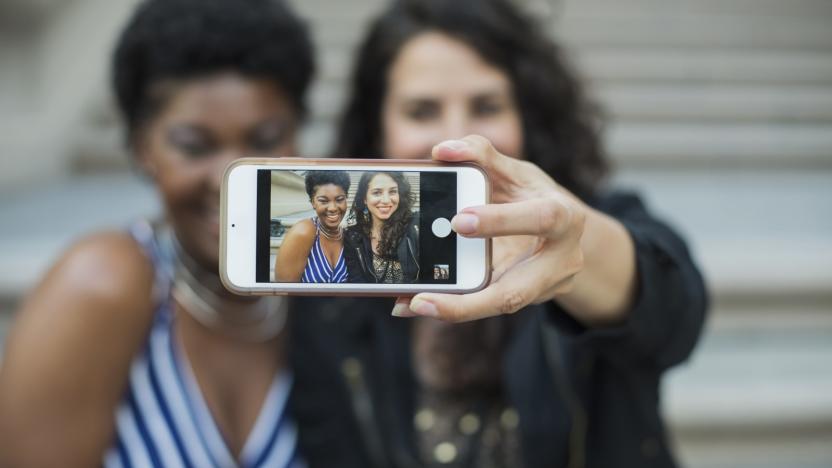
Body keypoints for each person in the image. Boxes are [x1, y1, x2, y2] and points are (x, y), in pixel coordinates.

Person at [288, 1, 706, 467]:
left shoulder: (602, 214)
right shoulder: (335, 289)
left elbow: (676, 309)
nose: (459, 138)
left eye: (487, 106)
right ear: (378, 128)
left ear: (527, 114)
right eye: (421, 111)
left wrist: (575, 243)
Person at [0, 0, 314, 466]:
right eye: (194, 146)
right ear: (141, 148)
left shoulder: (321, 284)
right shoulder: (103, 283)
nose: (229, 177)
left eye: (265, 140)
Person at [343, 171, 420, 283]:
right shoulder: (353, 236)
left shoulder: (416, 226)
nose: (386, 200)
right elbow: (356, 281)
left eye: (393, 192)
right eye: (377, 193)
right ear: (365, 198)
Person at [275, 171, 350, 283]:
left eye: (339, 199)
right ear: (313, 203)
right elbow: (284, 293)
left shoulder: (347, 236)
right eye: (323, 201)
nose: (333, 208)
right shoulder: (304, 231)